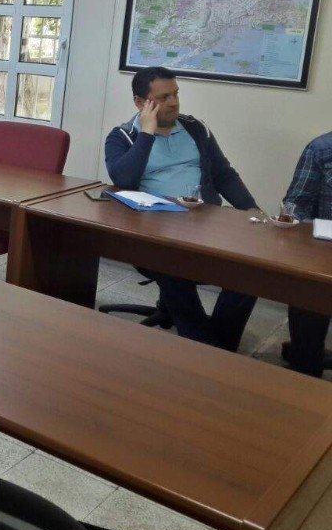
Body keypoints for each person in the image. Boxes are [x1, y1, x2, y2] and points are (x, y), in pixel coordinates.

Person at [104, 66, 258, 351]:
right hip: (153, 232)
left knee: (253, 272)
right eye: (164, 97)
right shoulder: (122, 137)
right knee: (174, 267)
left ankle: (217, 345)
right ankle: (204, 345)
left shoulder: (195, 129)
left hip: (205, 225)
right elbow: (123, 179)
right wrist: (147, 134)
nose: (174, 102)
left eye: (176, 94)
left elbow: (223, 174)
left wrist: (252, 209)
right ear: (141, 103)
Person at [281, 130, 332, 376]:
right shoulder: (322, 149)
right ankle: (306, 365)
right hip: (325, 252)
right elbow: (295, 207)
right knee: (309, 283)